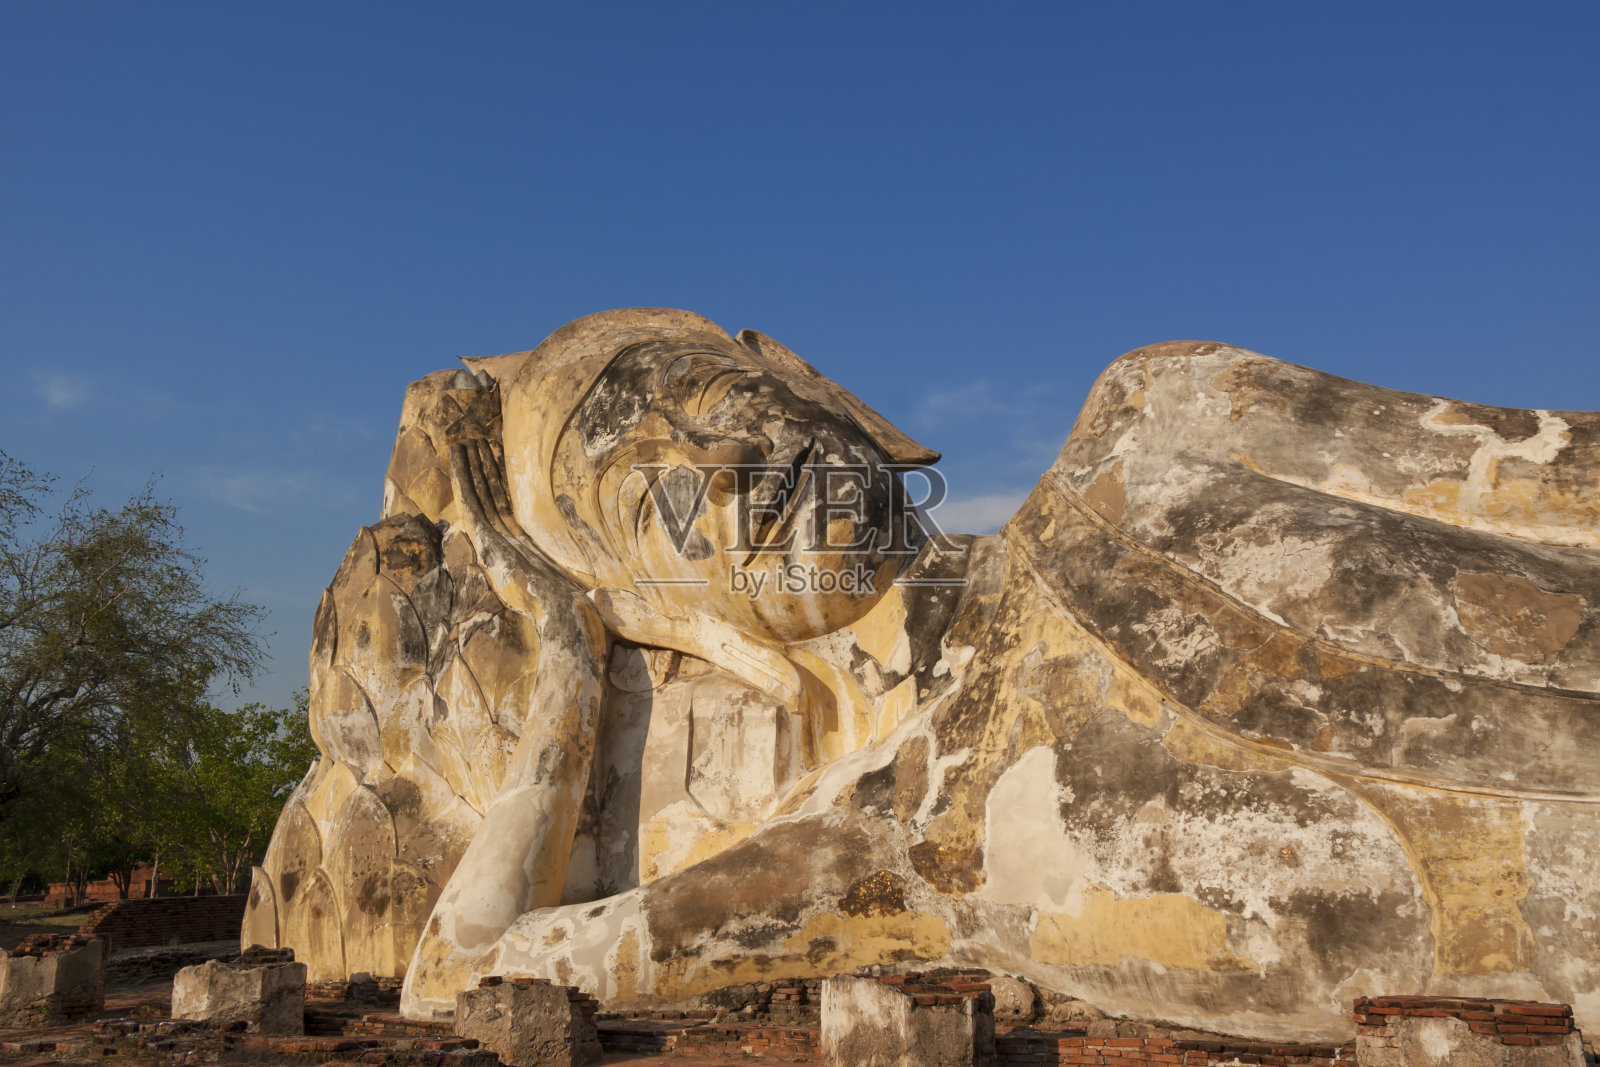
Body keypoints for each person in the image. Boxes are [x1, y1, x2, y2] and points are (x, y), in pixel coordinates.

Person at [248, 311, 1600, 1041]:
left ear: (818, 397)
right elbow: (461, 973)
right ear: (657, 614)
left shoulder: (1157, 423)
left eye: (719, 409)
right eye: (644, 493)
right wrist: (559, 668)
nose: (727, 470)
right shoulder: (903, 832)